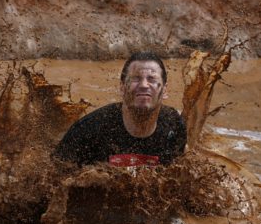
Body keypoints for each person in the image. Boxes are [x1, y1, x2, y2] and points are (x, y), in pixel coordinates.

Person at [54, 51, 187, 167]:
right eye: (135, 79)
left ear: (164, 90)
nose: (144, 85)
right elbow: (54, 183)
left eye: (152, 79)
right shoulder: (88, 130)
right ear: (122, 88)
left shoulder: (174, 125)